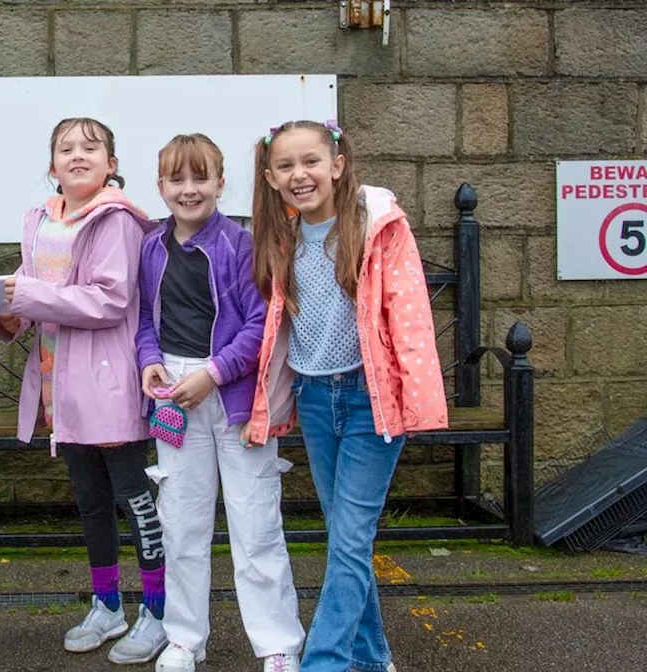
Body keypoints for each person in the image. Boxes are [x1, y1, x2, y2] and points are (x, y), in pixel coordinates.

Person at [244, 120, 448, 672]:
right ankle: (373, 658)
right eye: (285, 166)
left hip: (369, 401)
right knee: (345, 540)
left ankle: (325, 662)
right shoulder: (281, 237)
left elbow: (410, 317)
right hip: (313, 398)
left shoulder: (378, 226)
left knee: (351, 539)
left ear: (336, 165)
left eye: (310, 161)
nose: (299, 174)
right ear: (270, 177)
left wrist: (418, 401)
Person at [0, 117, 166, 665]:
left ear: (112, 164)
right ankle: (108, 603)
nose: (78, 156)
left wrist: (28, 296)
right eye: (65, 148)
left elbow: (109, 301)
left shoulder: (117, 221)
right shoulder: (41, 221)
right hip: (58, 386)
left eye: (91, 148)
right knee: (90, 502)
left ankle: (159, 611)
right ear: (51, 166)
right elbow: (31, 293)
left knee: (134, 497)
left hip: (109, 383)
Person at [135, 134, 304, 672]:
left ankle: (277, 644)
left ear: (220, 183)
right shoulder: (149, 246)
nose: (189, 190)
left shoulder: (240, 244)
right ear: (160, 187)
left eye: (200, 178)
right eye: (177, 180)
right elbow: (142, 318)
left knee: (255, 526)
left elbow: (261, 326)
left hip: (234, 397)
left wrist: (212, 374)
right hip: (172, 398)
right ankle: (184, 638)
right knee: (180, 524)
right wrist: (148, 362)